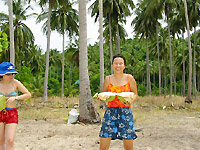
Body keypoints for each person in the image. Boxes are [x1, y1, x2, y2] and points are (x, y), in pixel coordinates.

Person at [99, 54, 138, 150]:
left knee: (128, 142)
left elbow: (135, 94)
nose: (118, 66)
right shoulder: (108, 79)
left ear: (124, 66)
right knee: (104, 138)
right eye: (116, 63)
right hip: (110, 112)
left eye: (121, 63)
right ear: (112, 65)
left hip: (125, 112)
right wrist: (102, 98)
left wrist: (129, 101)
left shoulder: (129, 78)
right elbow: (104, 94)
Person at [0, 62, 31, 150]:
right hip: (0, 112)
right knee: (0, 141)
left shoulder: (16, 83)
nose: (11, 76)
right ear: (2, 74)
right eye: (8, 74)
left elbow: (28, 94)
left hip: (11, 113)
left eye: (13, 73)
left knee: (10, 140)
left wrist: (16, 98)